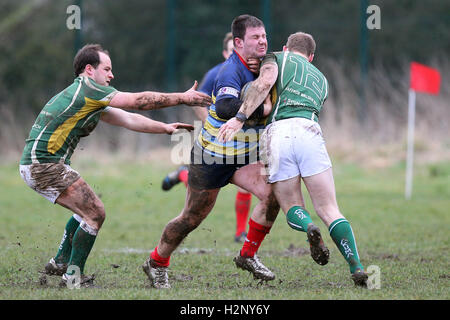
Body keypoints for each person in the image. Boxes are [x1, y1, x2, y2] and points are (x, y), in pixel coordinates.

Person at [19, 43, 211, 287]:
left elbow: (128, 118)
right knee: (95, 213)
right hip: (44, 165)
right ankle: (72, 277)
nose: (112, 75)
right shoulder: (89, 89)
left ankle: (60, 262)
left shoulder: (88, 96)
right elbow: (137, 101)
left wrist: (164, 128)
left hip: (40, 164)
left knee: (86, 211)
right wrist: (182, 98)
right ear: (89, 70)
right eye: (107, 69)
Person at [218, 32, 368, 287]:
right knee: (329, 209)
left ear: (286, 48)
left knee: (290, 204)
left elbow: (263, 85)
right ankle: (357, 267)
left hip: (279, 134)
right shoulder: (322, 80)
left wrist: (240, 117)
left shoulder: (276, 58)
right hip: (310, 131)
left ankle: (308, 225)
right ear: (311, 57)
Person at [142, 15, 281, 289]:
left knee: (273, 195)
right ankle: (156, 262)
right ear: (239, 43)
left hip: (244, 157)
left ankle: (248, 255)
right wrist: (264, 108)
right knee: (190, 219)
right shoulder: (229, 71)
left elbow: (282, 60)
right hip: (211, 157)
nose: (263, 41)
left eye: (264, 36)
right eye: (256, 37)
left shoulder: (268, 63)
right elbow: (226, 108)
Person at [161, 32, 253, 243]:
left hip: (242, 138)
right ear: (225, 53)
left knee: (246, 182)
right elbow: (198, 102)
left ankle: (241, 232)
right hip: (214, 139)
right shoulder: (217, 73)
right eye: (231, 50)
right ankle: (182, 174)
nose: (235, 53)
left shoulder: (251, 74)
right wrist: (213, 127)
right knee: (202, 190)